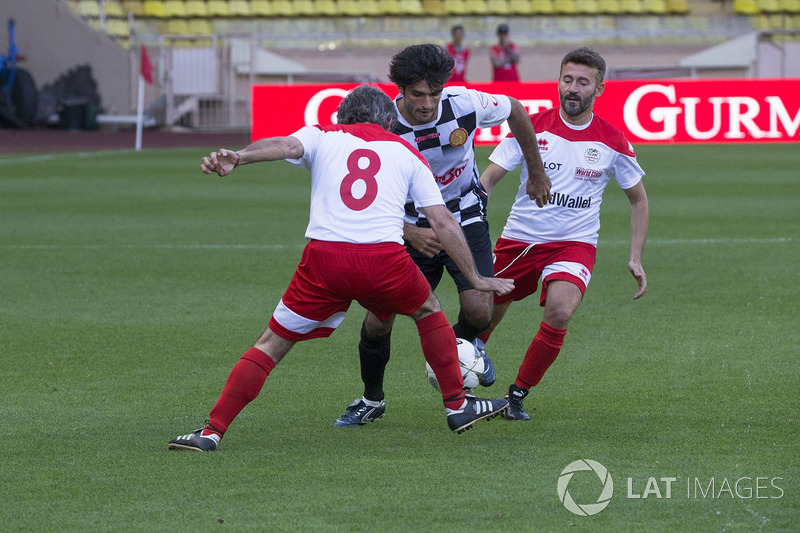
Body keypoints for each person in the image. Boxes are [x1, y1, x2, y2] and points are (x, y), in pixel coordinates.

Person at [168, 85, 514, 451]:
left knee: (270, 345)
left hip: (324, 262)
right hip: (384, 260)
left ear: (340, 117)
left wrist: (239, 157)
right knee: (428, 310)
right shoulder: (408, 152)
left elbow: (284, 146)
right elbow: (443, 221)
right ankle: (457, 407)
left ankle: (211, 432)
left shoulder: (322, 135)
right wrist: (476, 277)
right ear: (388, 120)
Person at [333, 44, 550, 428]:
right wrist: (409, 231)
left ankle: (457, 358)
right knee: (378, 320)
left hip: (464, 215)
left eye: (434, 93)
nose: (428, 103)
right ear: (399, 90)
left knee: (480, 311)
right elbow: (359, 194)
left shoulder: (464, 103)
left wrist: (535, 172)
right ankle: (371, 399)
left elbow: (515, 109)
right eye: (418, 94)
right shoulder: (384, 125)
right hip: (405, 223)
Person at [478, 47, 649, 420]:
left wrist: (635, 256)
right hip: (521, 238)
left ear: (599, 89)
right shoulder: (530, 126)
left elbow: (638, 200)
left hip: (575, 242)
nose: (573, 88)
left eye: (583, 82)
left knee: (559, 310)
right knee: (483, 316)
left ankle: (517, 395)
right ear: (558, 81)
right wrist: (472, 221)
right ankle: (465, 369)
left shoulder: (613, 140)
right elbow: (488, 179)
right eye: (567, 79)